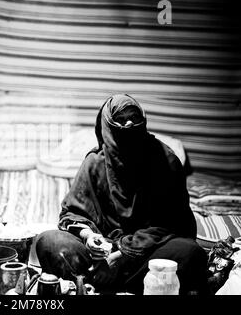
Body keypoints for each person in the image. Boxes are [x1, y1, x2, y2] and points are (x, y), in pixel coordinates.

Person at [36, 94, 209, 295]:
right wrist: (89, 236)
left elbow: (171, 224)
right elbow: (72, 214)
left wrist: (124, 253)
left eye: (134, 117)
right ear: (108, 126)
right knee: (49, 241)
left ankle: (94, 285)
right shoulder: (95, 162)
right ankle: (96, 282)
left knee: (190, 253)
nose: (129, 123)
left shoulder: (166, 161)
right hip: (98, 258)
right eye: (120, 119)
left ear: (143, 120)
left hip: (146, 255)